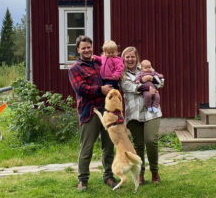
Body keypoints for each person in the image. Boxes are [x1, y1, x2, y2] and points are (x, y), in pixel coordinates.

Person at [68, 35, 117, 191]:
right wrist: (100, 90)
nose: (87, 50)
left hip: (107, 110)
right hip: (90, 111)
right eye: (83, 48)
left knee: (108, 146)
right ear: (78, 50)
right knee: (87, 147)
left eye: (89, 47)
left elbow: (113, 68)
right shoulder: (75, 68)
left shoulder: (99, 63)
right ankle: (82, 179)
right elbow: (80, 89)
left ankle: (108, 176)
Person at [120, 47, 164, 185]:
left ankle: (155, 172)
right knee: (138, 145)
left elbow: (161, 82)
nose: (130, 59)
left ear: (136, 57)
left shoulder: (146, 68)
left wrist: (151, 78)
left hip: (151, 111)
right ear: (123, 59)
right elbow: (130, 87)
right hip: (133, 114)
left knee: (151, 141)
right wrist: (148, 86)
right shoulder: (121, 74)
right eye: (127, 57)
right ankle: (140, 174)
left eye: (132, 56)